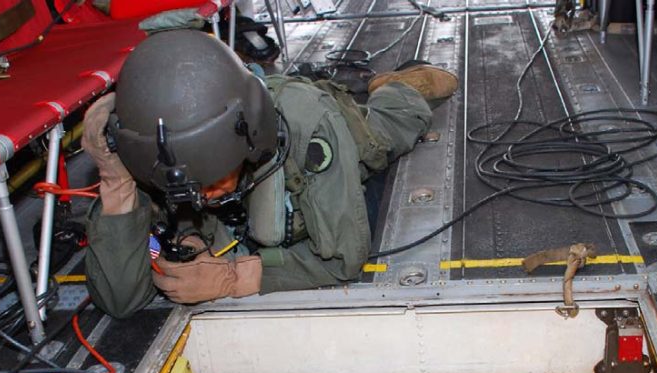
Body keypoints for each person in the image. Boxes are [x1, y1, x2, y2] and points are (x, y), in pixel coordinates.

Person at [81, 29, 457, 318]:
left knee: (386, 130)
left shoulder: (307, 125)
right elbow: (121, 301)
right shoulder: (152, 150)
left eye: (214, 181)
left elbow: (344, 261)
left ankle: (401, 86)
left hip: (341, 133)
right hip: (248, 191)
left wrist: (233, 279)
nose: (205, 198)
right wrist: (118, 183)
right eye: (194, 190)